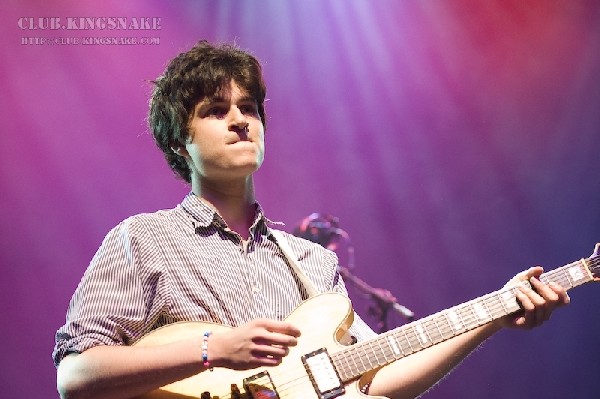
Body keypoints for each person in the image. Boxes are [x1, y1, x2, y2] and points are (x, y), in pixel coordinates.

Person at [53, 40, 570, 399]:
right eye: (215, 110)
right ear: (176, 142)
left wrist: (496, 316)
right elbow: (77, 375)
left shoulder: (311, 262)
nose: (240, 121)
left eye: (250, 108)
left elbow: (375, 380)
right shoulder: (143, 240)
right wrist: (214, 348)